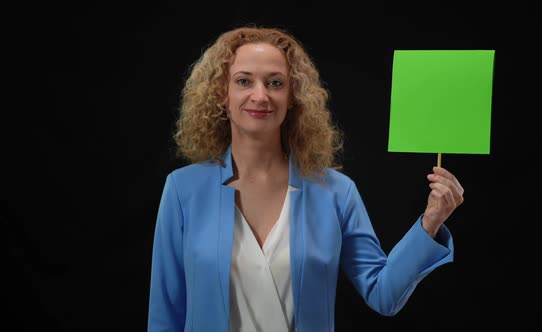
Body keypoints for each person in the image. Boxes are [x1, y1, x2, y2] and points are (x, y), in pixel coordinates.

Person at [147, 25, 464, 332]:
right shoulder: (182, 190)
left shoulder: (336, 192)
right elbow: (165, 315)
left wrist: (430, 223)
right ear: (221, 94)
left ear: (293, 96)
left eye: (275, 83)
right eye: (244, 81)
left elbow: (384, 294)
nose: (260, 95)